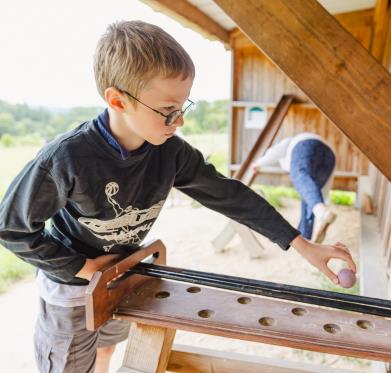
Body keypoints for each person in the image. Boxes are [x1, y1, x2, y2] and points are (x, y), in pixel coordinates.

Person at [0, 21, 356, 373]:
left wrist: (302, 244)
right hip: (72, 290)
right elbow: (11, 227)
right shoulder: (66, 158)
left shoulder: (171, 153)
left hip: (124, 274)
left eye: (184, 107)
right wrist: (82, 267)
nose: (179, 121)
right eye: (168, 110)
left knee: (107, 351)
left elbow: (229, 195)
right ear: (117, 100)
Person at [252, 132, 336, 243]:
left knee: (299, 173)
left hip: (306, 144)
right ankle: (306, 235)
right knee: (308, 197)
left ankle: (320, 212)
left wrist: (258, 163)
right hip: (330, 155)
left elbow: (274, 152)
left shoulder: (291, 142)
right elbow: (316, 189)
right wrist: (324, 202)